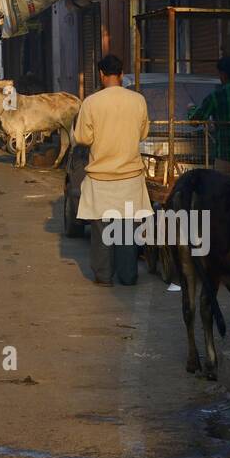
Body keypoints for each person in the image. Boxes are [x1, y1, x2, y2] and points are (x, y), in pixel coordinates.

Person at [72, 53, 150, 287]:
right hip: (130, 177)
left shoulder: (91, 102)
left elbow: (82, 137)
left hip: (101, 179)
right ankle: (128, 276)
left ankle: (104, 276)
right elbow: (143, 134)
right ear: (122, 74)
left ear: (101, 75)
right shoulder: (138, 100)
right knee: (127, 229)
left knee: (102, 230)